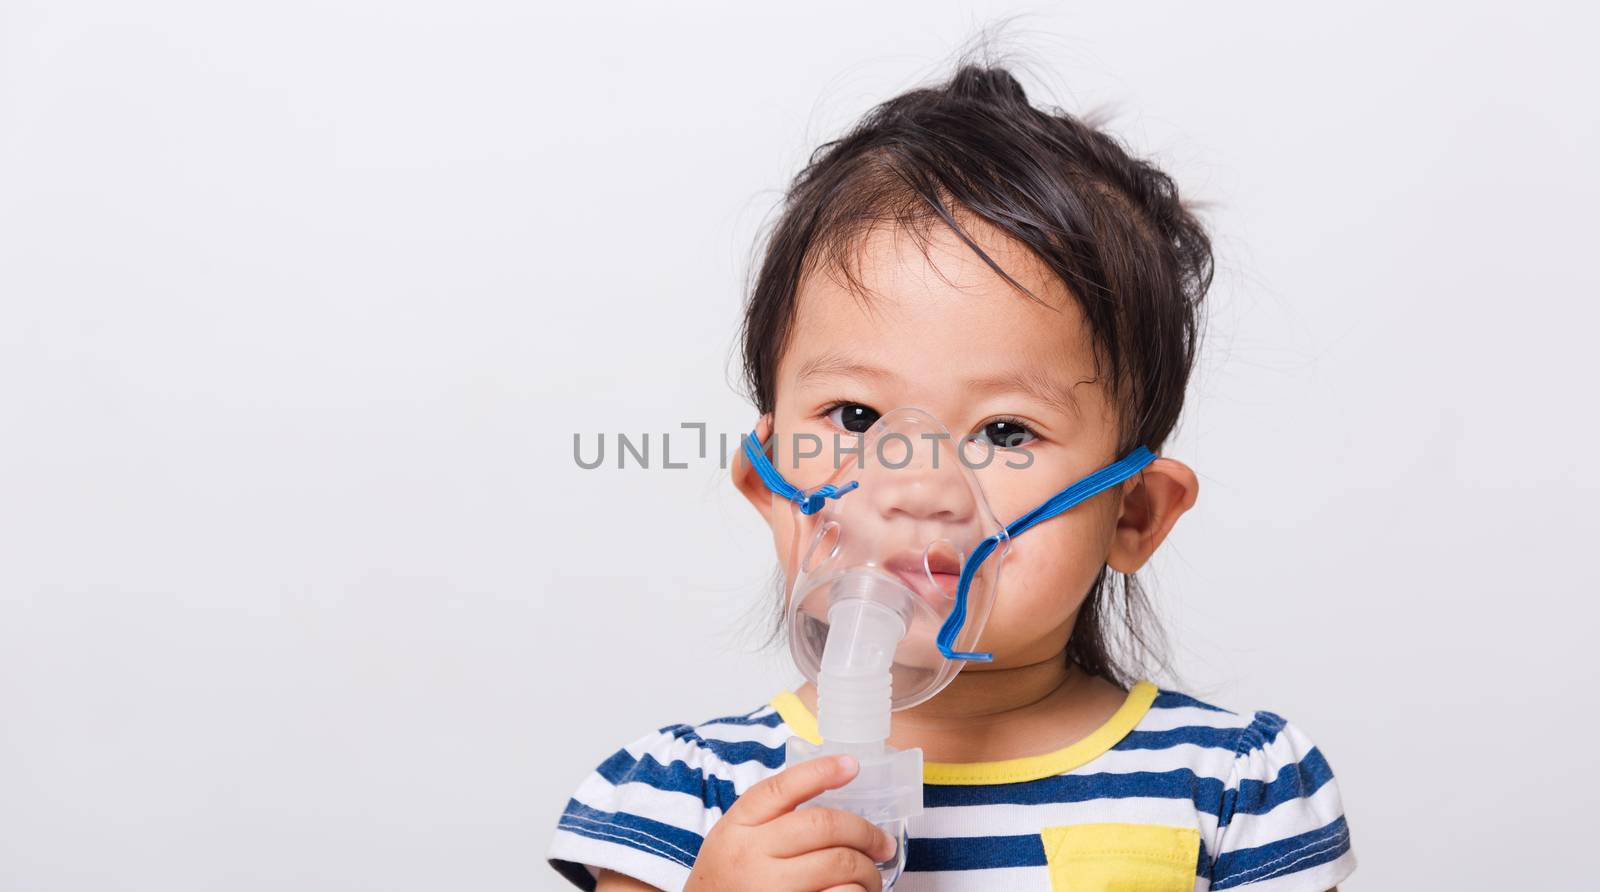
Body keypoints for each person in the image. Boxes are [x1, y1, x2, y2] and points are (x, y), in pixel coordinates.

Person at [548, 63, 1355, 892]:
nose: (918, 486)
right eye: (856, 418)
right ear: (767, 487)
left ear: (1133, 514)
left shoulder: (1235, 789)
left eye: (1005, 432)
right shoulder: (681, 799)